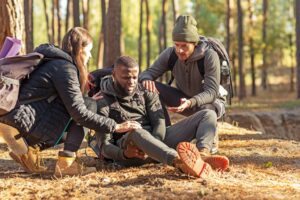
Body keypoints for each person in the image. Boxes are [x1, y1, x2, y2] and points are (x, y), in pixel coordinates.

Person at [0, 27, 139, 177]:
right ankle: (66, 163)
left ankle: (28, 152)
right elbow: (79, 113)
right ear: (80, 50)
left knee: (87, 103)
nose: (90, 56)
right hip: (25, 119)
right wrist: (116, 126)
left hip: (16, 114)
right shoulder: (66, 68)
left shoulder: (53, 61)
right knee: (90, 106)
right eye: (89, 50)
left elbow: (59, 101)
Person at [93, 56, 228, 178]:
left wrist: (154, 144)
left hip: (159, 142)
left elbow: (159, 122)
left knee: (208, 114)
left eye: (135, 77)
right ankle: (179, 162)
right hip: (131, 151)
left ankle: (201, 156)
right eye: (126, 77)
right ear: (114, 75)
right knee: (137, 132)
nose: (132, 82)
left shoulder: (146, 91)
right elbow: (105, 145)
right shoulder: (103, 101)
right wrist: (123, 154)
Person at [139, 15, 226, 156]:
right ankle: (163, 132)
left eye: (184, 46)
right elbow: (148, 73)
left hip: (208, 102)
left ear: (194, 43)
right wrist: (146, 80)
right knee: (150, 86)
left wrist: (191, 102)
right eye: (176, 45)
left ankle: (205, 146)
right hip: (182, 98)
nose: (179, 50)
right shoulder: (170, 54)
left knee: (207, 109)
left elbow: (211, 92)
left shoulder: (209, 56)